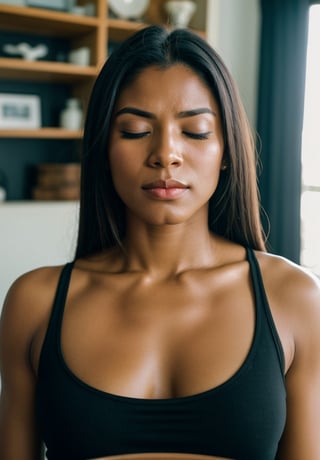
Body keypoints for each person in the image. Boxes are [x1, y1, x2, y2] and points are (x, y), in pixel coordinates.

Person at [0, 24, 320, 460]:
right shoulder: (33, 303)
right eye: (134, 130)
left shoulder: (295, 298)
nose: (165, 154)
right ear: (103, 149)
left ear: (226, 151)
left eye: (196, 131)